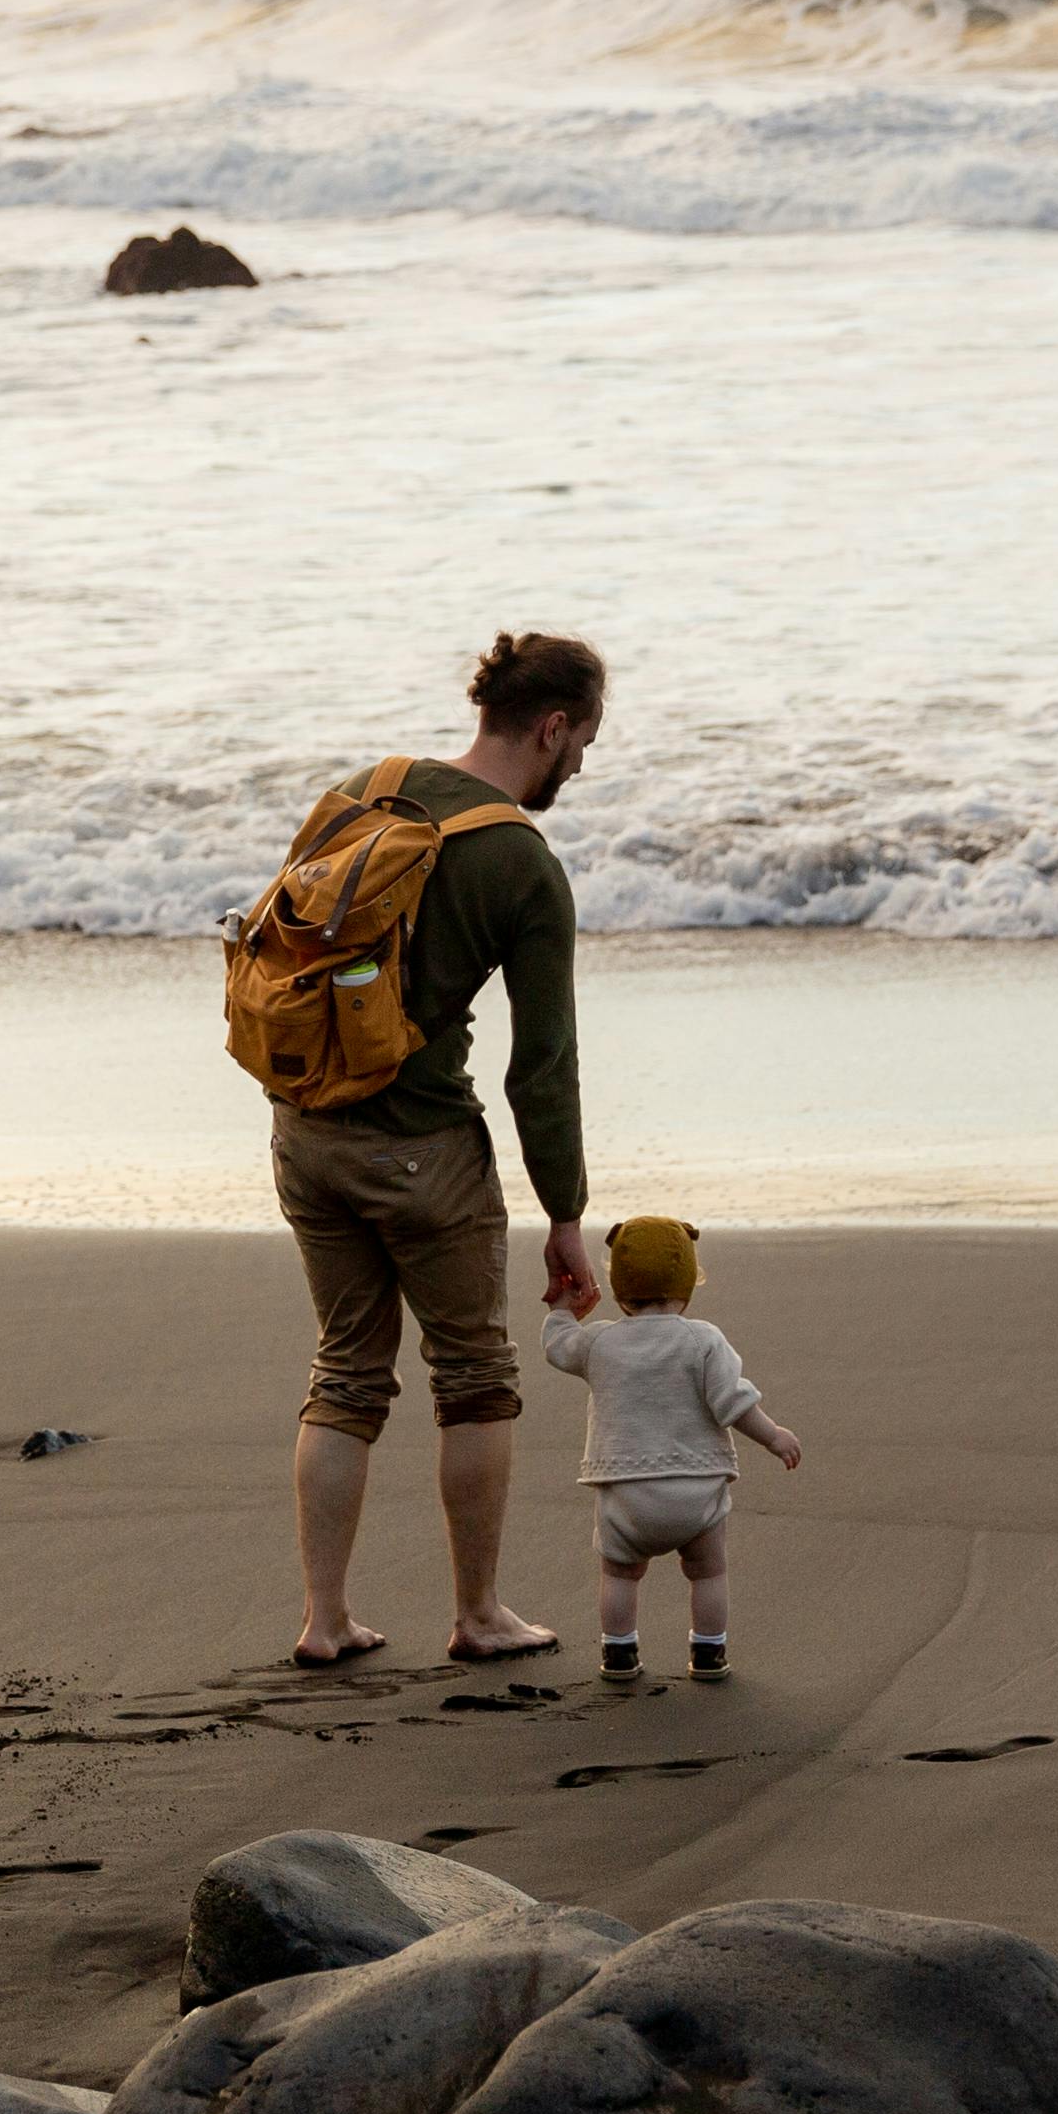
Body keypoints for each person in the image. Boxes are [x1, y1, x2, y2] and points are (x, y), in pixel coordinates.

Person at [275, 630, 605, 1668]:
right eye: (586, 741)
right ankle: (477, 1614)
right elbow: (541, 1066)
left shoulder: (364, 791)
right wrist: (564, 1213)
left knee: (345, 1373)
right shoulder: (518, 860)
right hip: (421, 1151)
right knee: (474, 1378)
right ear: (551, 726)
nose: (583, 764)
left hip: (305, 1133)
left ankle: (324, 1622)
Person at [544, 1213, 801, 1681]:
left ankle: (619, 1654)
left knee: (620, 1575)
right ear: (687, 1281)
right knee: (708, 1573)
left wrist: (565, 1308)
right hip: (695, 1490)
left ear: (619, 1288)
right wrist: (773, 1435)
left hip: (625, 1493)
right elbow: (733, 1401)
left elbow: (558, 1347)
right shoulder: (703, 1339)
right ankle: (708, 1653)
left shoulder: (601, 1341)